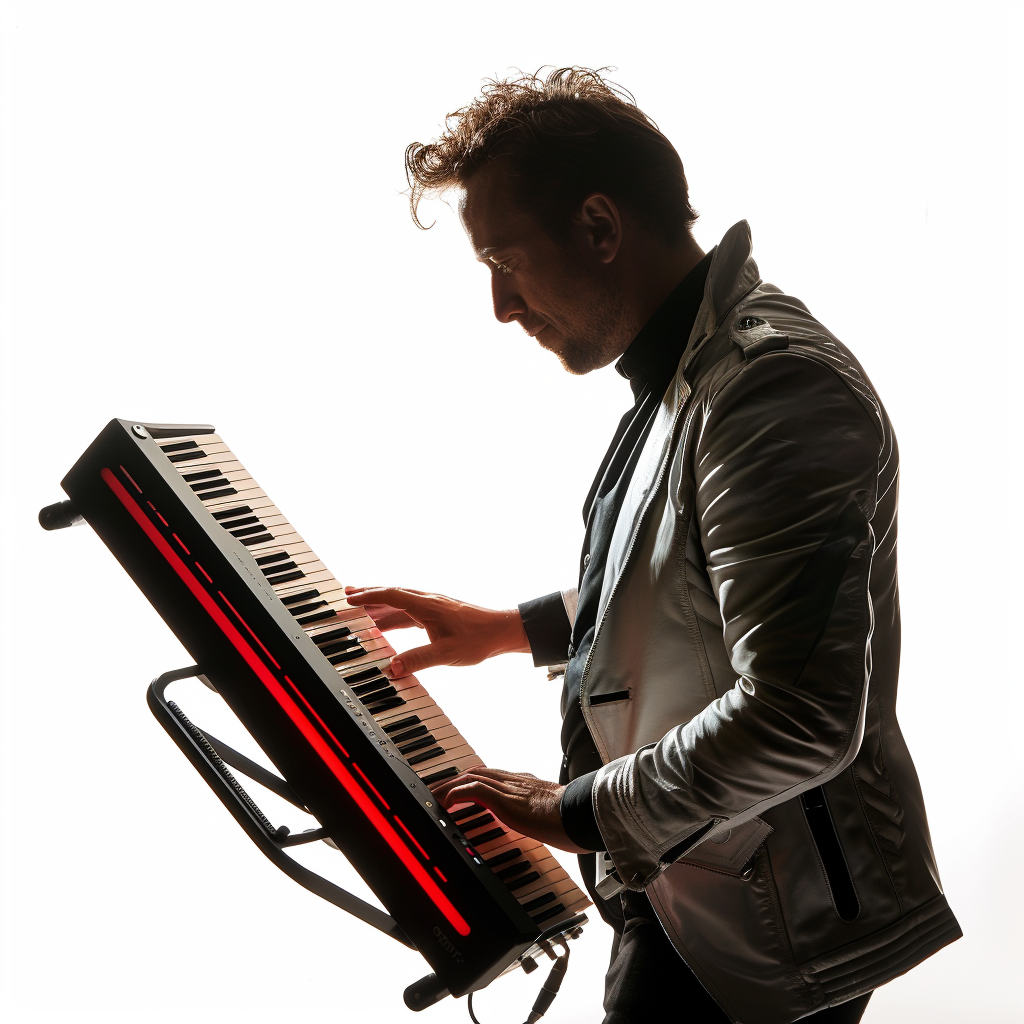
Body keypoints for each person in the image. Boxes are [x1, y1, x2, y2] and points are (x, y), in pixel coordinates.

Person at [344, 68, 960, 1024]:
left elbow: (801, 712)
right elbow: (694, 579)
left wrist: (574, 810)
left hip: (757, 931)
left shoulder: (771, 389)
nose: (502, 306)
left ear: (599, 227)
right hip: (696, 889)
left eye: (504, 260)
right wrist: (509, 628)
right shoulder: (691, 365)